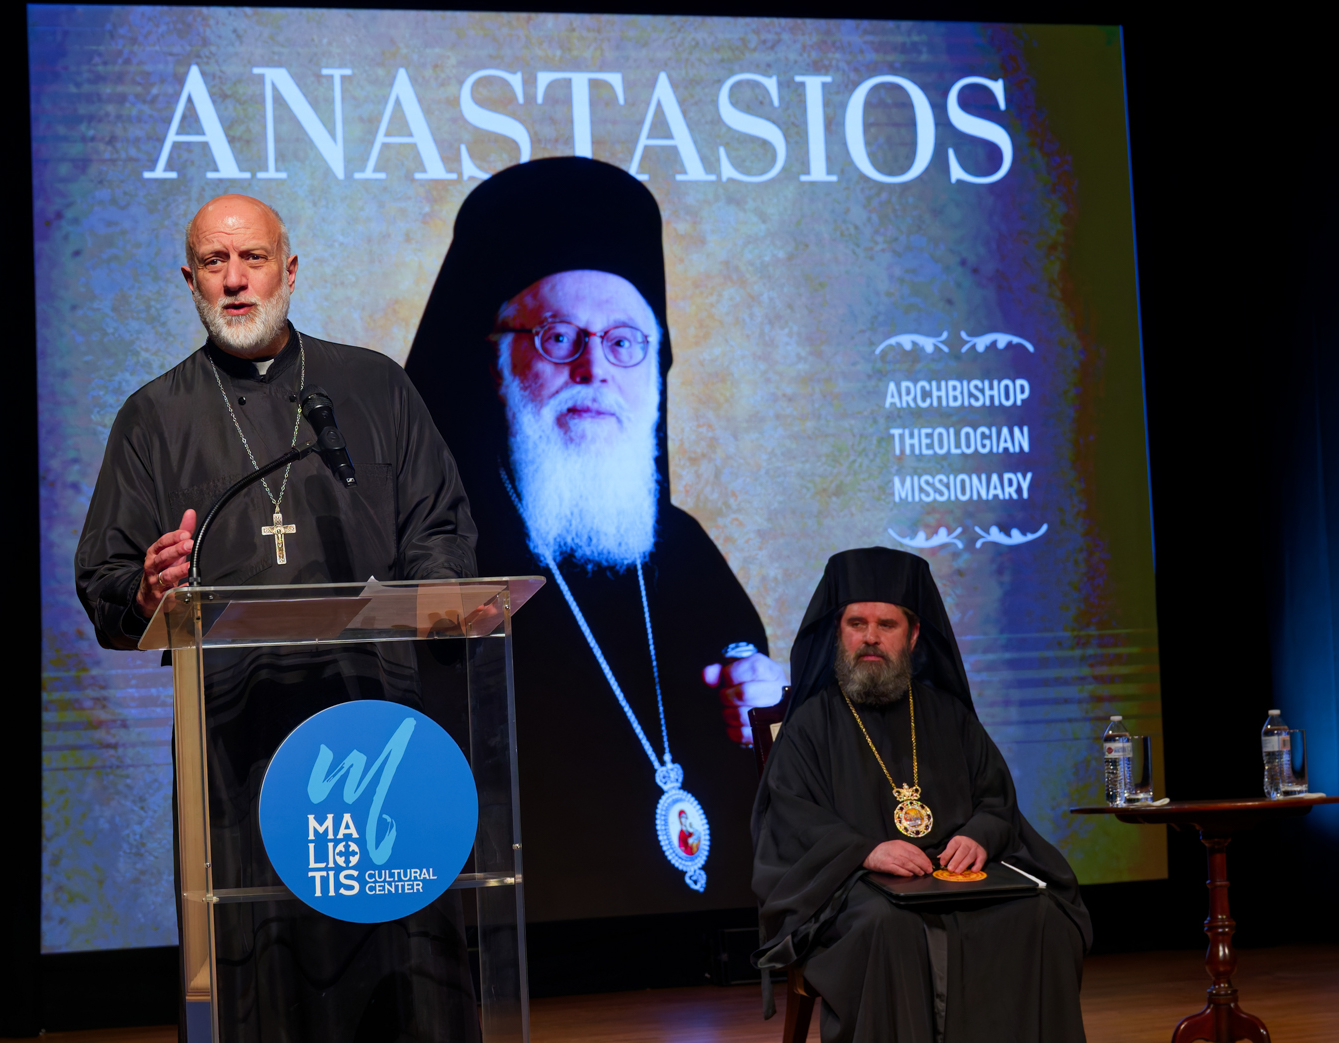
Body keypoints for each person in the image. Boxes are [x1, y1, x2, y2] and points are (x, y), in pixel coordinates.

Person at [74, 194, 479, 1042]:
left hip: (377, 732)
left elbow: (439, 525)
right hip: (238, 749)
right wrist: (148, 590)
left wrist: (434, 598)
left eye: (252, 259)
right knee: (260, 975)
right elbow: (105, 579)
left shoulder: (373, 386)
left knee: (401, 966)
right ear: (189, 280)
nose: (234, 280)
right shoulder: (154, 416)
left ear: (288, 271)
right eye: (214, 263)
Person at [404, 157, 783, 915]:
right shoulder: (434, 549)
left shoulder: (685, 553)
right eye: (556, 338)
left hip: (709, 944)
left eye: (624, 342)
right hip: (524, 939)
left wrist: (766, 706)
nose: (594, 369)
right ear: (492, 360)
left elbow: (755, 745)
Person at [752, 547, 1091, 1042]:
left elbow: (996, 800)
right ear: (838, 633)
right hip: (853, 887)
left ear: (912, 635)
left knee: (1041, 914)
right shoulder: (809, 725)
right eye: (857, 623)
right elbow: (790, 820)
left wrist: (978, 835)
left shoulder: (948, 715)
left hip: (954, 878)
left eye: (886, 624)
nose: (870, 637)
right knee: (886, 924)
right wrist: (865, 851)